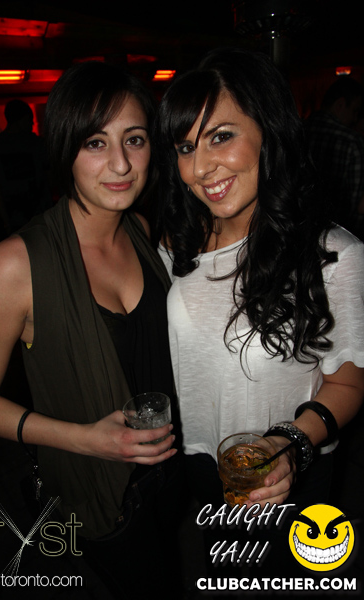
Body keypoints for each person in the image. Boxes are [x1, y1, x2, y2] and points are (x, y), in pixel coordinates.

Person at [0, 62, 186, 600]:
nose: (121, 163)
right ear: (65, 149)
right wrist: (86, 440)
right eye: (95, 143)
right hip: (99, 492)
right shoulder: (14, 265)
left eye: (134, 139)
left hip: (174, 468)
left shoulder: (140, 229)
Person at [154, 47, 364, 580]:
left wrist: (288, 444)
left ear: (268, 130)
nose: (201, 168)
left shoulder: (333, 255)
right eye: (185, 147)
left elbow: (348, 383)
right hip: (202, 464)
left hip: (290, 474)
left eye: (221, 136)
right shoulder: (176, 245)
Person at [304, 77, 364, 236]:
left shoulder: (297, 132)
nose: (355, 118)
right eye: (355, 111)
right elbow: (357, 211)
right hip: (340, 236)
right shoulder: (351, 142)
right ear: (340, 104)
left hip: (300, 232)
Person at [0, 99, 52, 236]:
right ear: (21, 120)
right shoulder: (35, 144)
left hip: (32, 216)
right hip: (27, 217)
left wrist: (6, 222)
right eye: (30, 120)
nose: (32, 124)